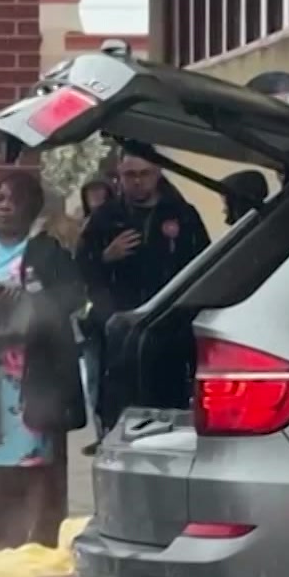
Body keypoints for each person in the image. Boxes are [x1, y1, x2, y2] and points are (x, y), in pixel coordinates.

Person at [0, 172, 86, 548]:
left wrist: (30, 302)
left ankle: (36, 546)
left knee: (37, 471)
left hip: (35, 377)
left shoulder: (49, 247)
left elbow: (73, 295)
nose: (5, 207)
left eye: (14, 200)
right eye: (0, 200)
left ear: (31, 206)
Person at [75, 152, 210, 435]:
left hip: (170, 332)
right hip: (119, 333)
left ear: (158, 173)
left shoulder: (182, 215)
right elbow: (81, 270)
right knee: (121, 411)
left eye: (144, 174)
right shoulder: (105, 218)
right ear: (119, 177)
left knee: (169, 411)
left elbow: (204, 266)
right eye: (130, 176)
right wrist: (105, 257)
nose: (137, 182)